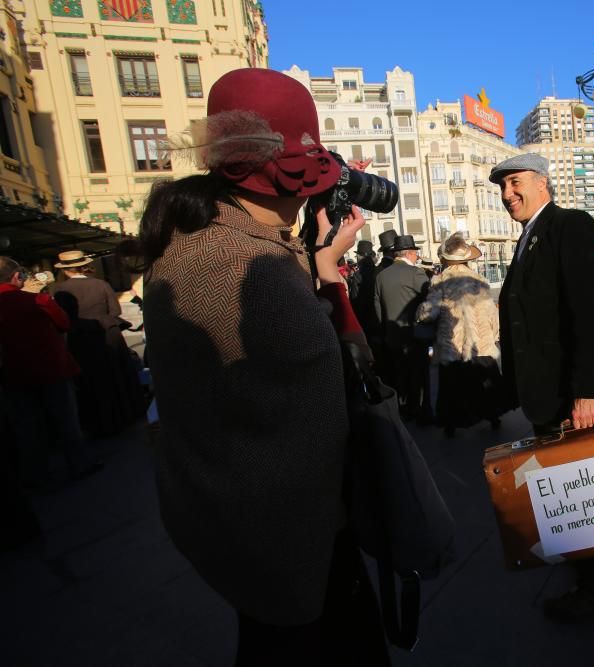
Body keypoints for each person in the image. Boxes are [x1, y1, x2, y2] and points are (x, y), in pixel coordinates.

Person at [120, 68, 388, 664]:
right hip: (290, 526)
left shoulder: (209, 239)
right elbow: (339, 378)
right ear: (289, 174)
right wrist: (328, 283)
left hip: (254, 522)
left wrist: (316, 264)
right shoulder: (246, 265)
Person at [492, 153, 594, 622]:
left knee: (578, 492)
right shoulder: (529, 236)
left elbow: (589, 312)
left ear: (544, 183)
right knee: (564, 488)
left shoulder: (570, 224)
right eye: (502, 187)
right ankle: (585, 568)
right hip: (545, 390)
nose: (507, 195)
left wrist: (587, 391)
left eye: (516, 183)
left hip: (568, 395)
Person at [0, 256, 100, 487]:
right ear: (17, 277)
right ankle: (79, 464)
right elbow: (63, 324)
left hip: (15, 374)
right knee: (66, 421)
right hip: (51, 368)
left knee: (27, 428)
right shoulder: (39, 300)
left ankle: (39, 476)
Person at [416, 233, 506, 436]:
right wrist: (493, 335)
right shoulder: (480, 279)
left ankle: (450, 424)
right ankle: (493, 417)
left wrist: (420, 312)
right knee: (484, 382)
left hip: (453, 344)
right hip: (481, 343)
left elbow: (430, 312)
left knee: (452, 386)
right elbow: (491, 311)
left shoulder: (440, 280)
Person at [50, 250, 145, 436]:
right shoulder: (100, 284)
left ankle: (97, 423)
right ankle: (124, 416)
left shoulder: (60, 290)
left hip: (80, 339)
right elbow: (115, 310)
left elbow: (62, 319)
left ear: (65, 270)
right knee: (115, 376)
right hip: (107, 334)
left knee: (90, 382)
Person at [374, 234, 431, 421]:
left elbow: (378, 307)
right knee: (418, 373)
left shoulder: (381, 276)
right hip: (414, 335)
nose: (417, 256)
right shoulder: (416, 273)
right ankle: (418, 408)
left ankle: (404, 406)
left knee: (400, 373)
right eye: (416, 252)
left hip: (392, 335)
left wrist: (386, 330)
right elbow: (429, 301)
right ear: (410, 254)